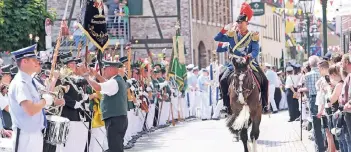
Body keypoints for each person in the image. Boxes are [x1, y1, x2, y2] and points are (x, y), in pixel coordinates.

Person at [214, 2, 269, 115]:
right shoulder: (232, 35)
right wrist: (224, 28)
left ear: (246, 23)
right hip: (234, 63)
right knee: (223, 79)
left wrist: (248, 57)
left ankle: (264, 104)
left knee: (264, 80)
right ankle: (225, 104)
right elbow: (217, 38)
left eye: (241, 22)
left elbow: (255, 50)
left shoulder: (252, 36)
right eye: (238, 22)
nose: (239, 25)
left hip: (248, 62)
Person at [8, 44, 57, 152]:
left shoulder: (30, 81)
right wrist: (44, 101)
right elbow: (30, 110)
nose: (38, 62)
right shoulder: (20, 83)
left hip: (35, 134)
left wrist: (53, 82)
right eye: (34, 60)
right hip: (25, 137)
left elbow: (46, 93)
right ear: (25, 62)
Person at [79, 60, 128, 152]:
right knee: (116, 146)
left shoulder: (114, 82)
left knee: (115, 148)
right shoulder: (117, 80)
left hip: (115, 119)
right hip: (118, 119)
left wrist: (86, 76)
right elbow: (105, 83)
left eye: (104, 69)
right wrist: (97, 75)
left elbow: (97, 87)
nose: (103, 71)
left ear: (110, 69)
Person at [298, 55, 325, 152]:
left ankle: (319, 148)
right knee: (324, 123)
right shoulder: (323, 72)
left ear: (309, 64)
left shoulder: (308, 75)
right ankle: (325, 144)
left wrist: (301, 89)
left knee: (316, 124)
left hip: (314, 99)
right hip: (323, 98)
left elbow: (308, 89)